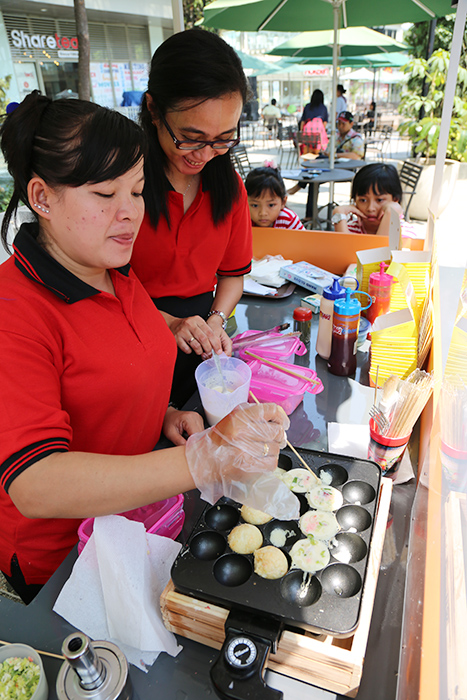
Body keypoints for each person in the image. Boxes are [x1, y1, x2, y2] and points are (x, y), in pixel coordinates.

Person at [0, 91, 289, 603]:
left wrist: (164, 413)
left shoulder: (115, 273)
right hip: (66, 559)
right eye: (105, 195)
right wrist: (207, 457)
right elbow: (34, 481)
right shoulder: (14, 311)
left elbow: (109, 372)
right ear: (41, 197)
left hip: (139, 513)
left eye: (137, 192)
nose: (130, 214)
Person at [131, 29, 253, 407]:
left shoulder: (228, 188)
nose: (204, 154)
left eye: (222, 139)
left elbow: (233, 273)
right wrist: (167, 322)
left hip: (198, 338)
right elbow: (97, 282)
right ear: (153, 109)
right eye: (190, 137)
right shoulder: (122, 183)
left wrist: (215, 320)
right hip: (130, 333)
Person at [331, 163, 416, 237]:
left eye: (379, 200)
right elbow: (344, 252)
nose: (370, 208)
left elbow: (379, 253)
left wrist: (390, 213)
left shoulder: (404, 232)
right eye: (363, 200)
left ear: (395, 200)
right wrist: (339, 213)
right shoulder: (349, 228)